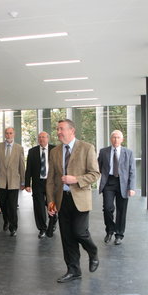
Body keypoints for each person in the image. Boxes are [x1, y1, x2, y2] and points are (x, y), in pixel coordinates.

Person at [47, 120, 101, 283]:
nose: (58, 132)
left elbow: (95, 174)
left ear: (72, 130)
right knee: (67, 237)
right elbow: (51, 179)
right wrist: (50, 202)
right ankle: (73, 270)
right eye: (57, 129)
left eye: (61, 129)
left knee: (79, 232)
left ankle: (92, 251)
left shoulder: (87, 148)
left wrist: (75, 179)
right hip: (62, 200)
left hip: (80, 199)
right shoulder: (55, 151)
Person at [98, 130, 136, 245]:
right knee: (108, 208)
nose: (116, 139)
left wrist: (132, 187)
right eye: (114, 137)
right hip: (109, 182)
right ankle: (110, 230)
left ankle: (119, 234)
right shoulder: (103, 151)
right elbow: (99, 166)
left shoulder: (128, 153)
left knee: (121, 210)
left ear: (122, 139)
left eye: (118, 137)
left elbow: (132, 171)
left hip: (123, 183)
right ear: (111, 139)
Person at [0, 127, 25, 236]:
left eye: (11, 133)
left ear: (14, 134)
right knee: (3, 204)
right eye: (7, 133)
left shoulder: (19, 148)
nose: (9, 135)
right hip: (1, 181)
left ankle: (13, 227)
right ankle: (6, 220)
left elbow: (21, 166)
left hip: (14, 182)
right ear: (4, 134)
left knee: (13, 205)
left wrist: (23, 182)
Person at [25, 132, 57, 238]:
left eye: (43, 137)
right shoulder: (32, 151)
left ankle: (52, 224)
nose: (41, 139)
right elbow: (28, 168)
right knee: (38, 206)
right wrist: (27, 184)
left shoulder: (55, 149)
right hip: (37, 183)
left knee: (51, 204)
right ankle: (42, 228)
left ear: (48, 138)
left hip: (51, 182)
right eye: (39, 137)